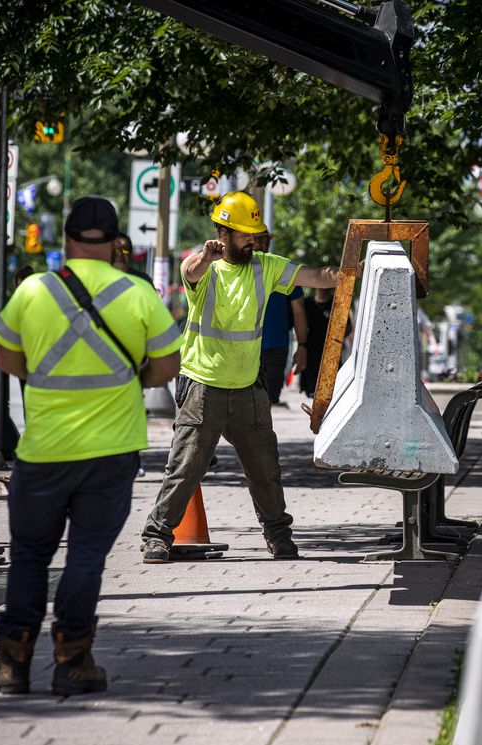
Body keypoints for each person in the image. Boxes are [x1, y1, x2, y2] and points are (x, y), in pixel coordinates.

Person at [0, 196, 182, 696]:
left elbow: (6, 357)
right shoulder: (138, 294)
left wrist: (45, 377)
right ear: (118, 244)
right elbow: (166, 368)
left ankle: (12, 664)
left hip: (43, 452)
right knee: (86, 557)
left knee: (29, 555)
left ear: (66, 240)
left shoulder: (34, 290)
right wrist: (124, 380)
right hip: (110, 454)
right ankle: (73, 663)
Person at [140, 191, 344, 563]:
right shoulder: (205, 267)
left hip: (248, 387)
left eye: (255, 233)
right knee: (186, 468)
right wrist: (206, 256)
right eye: (245, 233)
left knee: (266, 469)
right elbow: (191, 272)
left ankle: (279, 535)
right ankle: (157, 535)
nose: (253, 239)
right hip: (203, 386)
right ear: (223, 233)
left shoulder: (266, 266)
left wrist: (353, 270)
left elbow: (315, 275)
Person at [257, 231, 308, 405]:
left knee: (268, 401)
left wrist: (302, 346)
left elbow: (299, 310)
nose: (260, 245)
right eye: (256, 240)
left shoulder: (282, 271)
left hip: (275, 349)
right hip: (242, 349)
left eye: (264, 240)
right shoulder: (236, 270)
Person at [299, 286, 353, 398]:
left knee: (333, 389)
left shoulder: (337, 303)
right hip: (312, 354)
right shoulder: (307, 304)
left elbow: (348, 327)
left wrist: (336, 338)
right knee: (313, 391)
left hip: (332, 353)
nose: (322, 288)